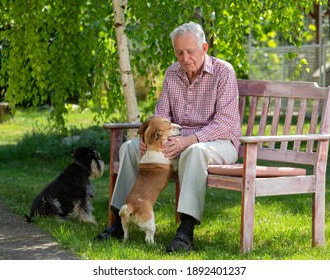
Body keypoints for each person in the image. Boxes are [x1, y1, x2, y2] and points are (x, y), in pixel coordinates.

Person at [95, 21, 242, 252]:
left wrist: (190, 140)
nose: (184, 58)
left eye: (190, 52)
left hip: (218, 143)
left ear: (204, 48)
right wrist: (147, 140)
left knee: (195, 151)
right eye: (179, 52)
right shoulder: (172, 73)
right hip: (175, 143)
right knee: (130, 148)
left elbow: (225, 123)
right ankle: (118, 221)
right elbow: (161, 115)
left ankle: (185, 232)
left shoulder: (224, 72)